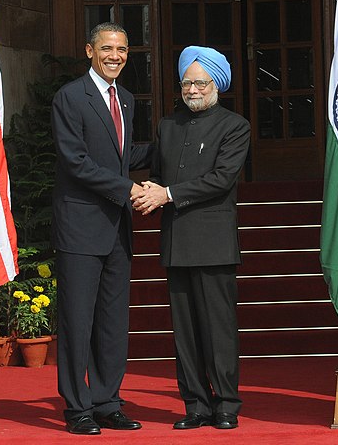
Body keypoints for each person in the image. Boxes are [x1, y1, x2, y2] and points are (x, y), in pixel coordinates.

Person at [132, 46, 251, 430]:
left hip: (213, 242)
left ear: (216, 84)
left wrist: (165, 194)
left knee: (218, 328)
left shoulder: (235, 126)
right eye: (187, 83)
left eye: (201, 82)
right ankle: (196, 405)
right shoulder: (168, 125)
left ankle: (227, 404)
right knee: (184, 332)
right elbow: (155, 170)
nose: (193, 90)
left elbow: (221, 179)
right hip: (177, 241)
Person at [51, 22, 152, 435]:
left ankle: (108, 401)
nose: (116, 56)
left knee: (112, 322)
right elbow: (75, 161)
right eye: (108, 48)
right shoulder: (70, 97)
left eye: (123, 50)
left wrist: (175, 140)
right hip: (80, 228)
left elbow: (122, 155)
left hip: (116, 230)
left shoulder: (126, 99)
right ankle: (77, 408)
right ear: (90, 50)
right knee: (78, 322)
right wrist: (128, 188)